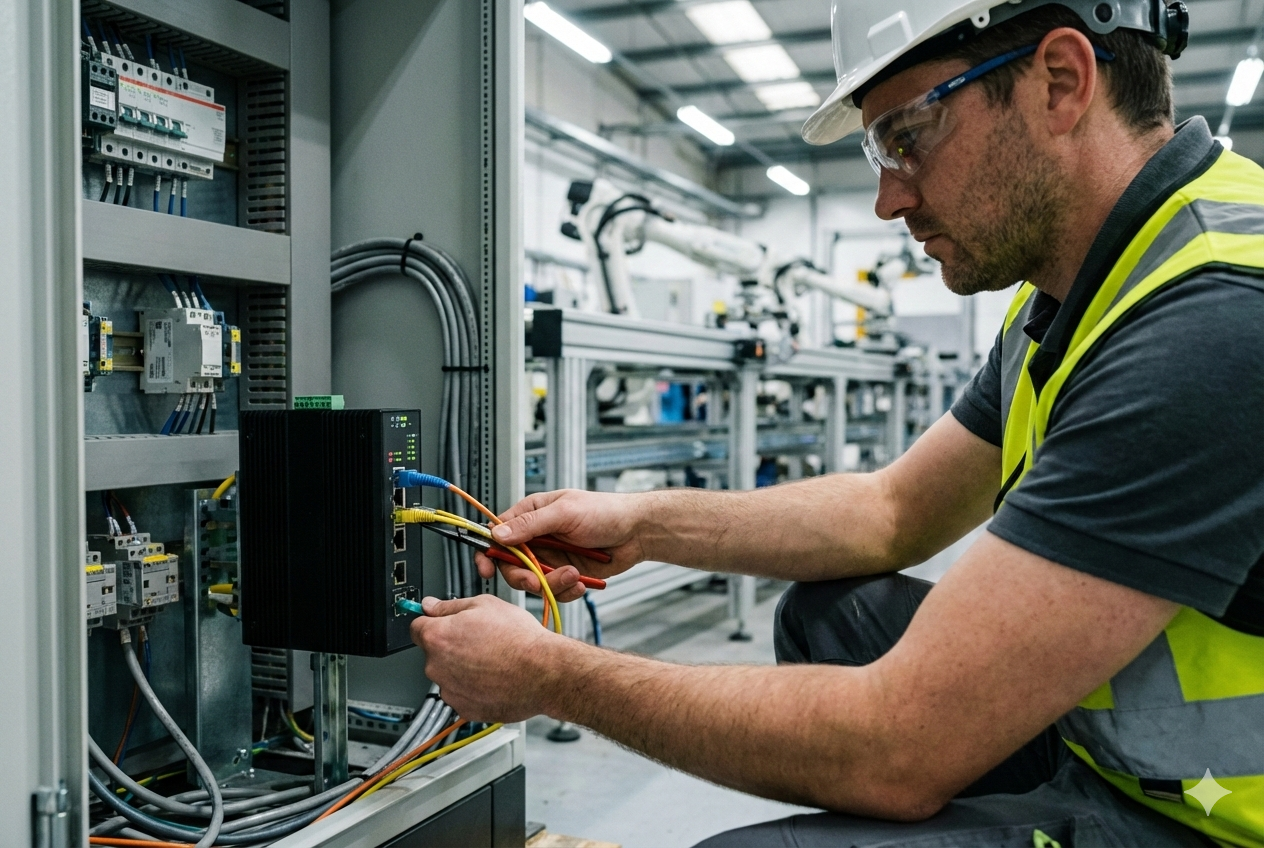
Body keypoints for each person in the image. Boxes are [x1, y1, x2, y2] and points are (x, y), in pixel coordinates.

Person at [411, 0, 1264, 844]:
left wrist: (550, 675)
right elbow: (892, 512)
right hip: (1124, 757)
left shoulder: (1208, 318)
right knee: (832, 614)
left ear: (1061, 82)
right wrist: (639, 526)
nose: (889, 199)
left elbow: (899, 747)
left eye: (907, 137)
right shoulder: (1075, 289)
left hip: (1210, 822)